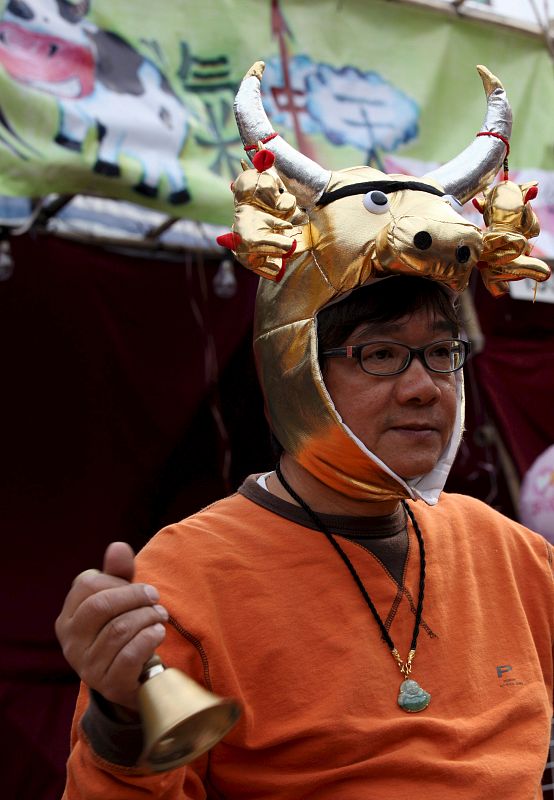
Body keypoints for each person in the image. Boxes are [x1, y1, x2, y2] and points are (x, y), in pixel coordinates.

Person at [56, 63, 553, 799]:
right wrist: (120, 722)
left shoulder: (510, 553)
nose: (424, 386)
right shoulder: (187, 577)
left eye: (441, 353)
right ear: (295, 365)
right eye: (381, 354)